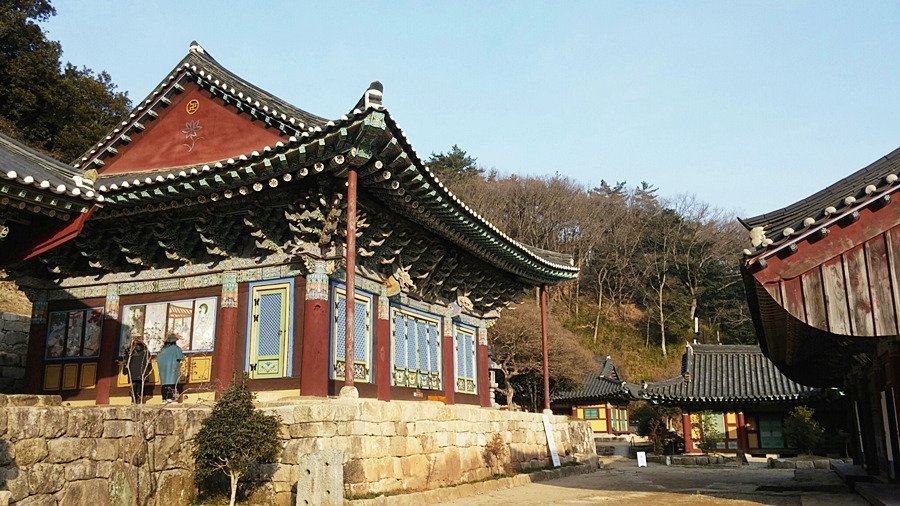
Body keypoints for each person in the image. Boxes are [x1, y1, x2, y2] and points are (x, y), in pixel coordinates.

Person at [157, 333, 185, 403]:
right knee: (172, 383)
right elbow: (180, 357)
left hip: (163, 369)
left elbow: (158, 358)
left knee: (164, 383)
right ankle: (170, 398)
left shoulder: (162, 349)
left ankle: (164, 398)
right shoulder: (176, 348)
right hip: (173, 368)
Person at [125, 337, 151, 404]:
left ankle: (133, 400)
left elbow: (126, 360)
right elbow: (148, 360)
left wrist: (125, 370)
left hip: (132, 370)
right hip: (142, 370)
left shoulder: (130, 350)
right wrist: (149, 369)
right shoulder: (145, 349)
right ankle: (139, 399)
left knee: (134, 385)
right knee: (140, 385)